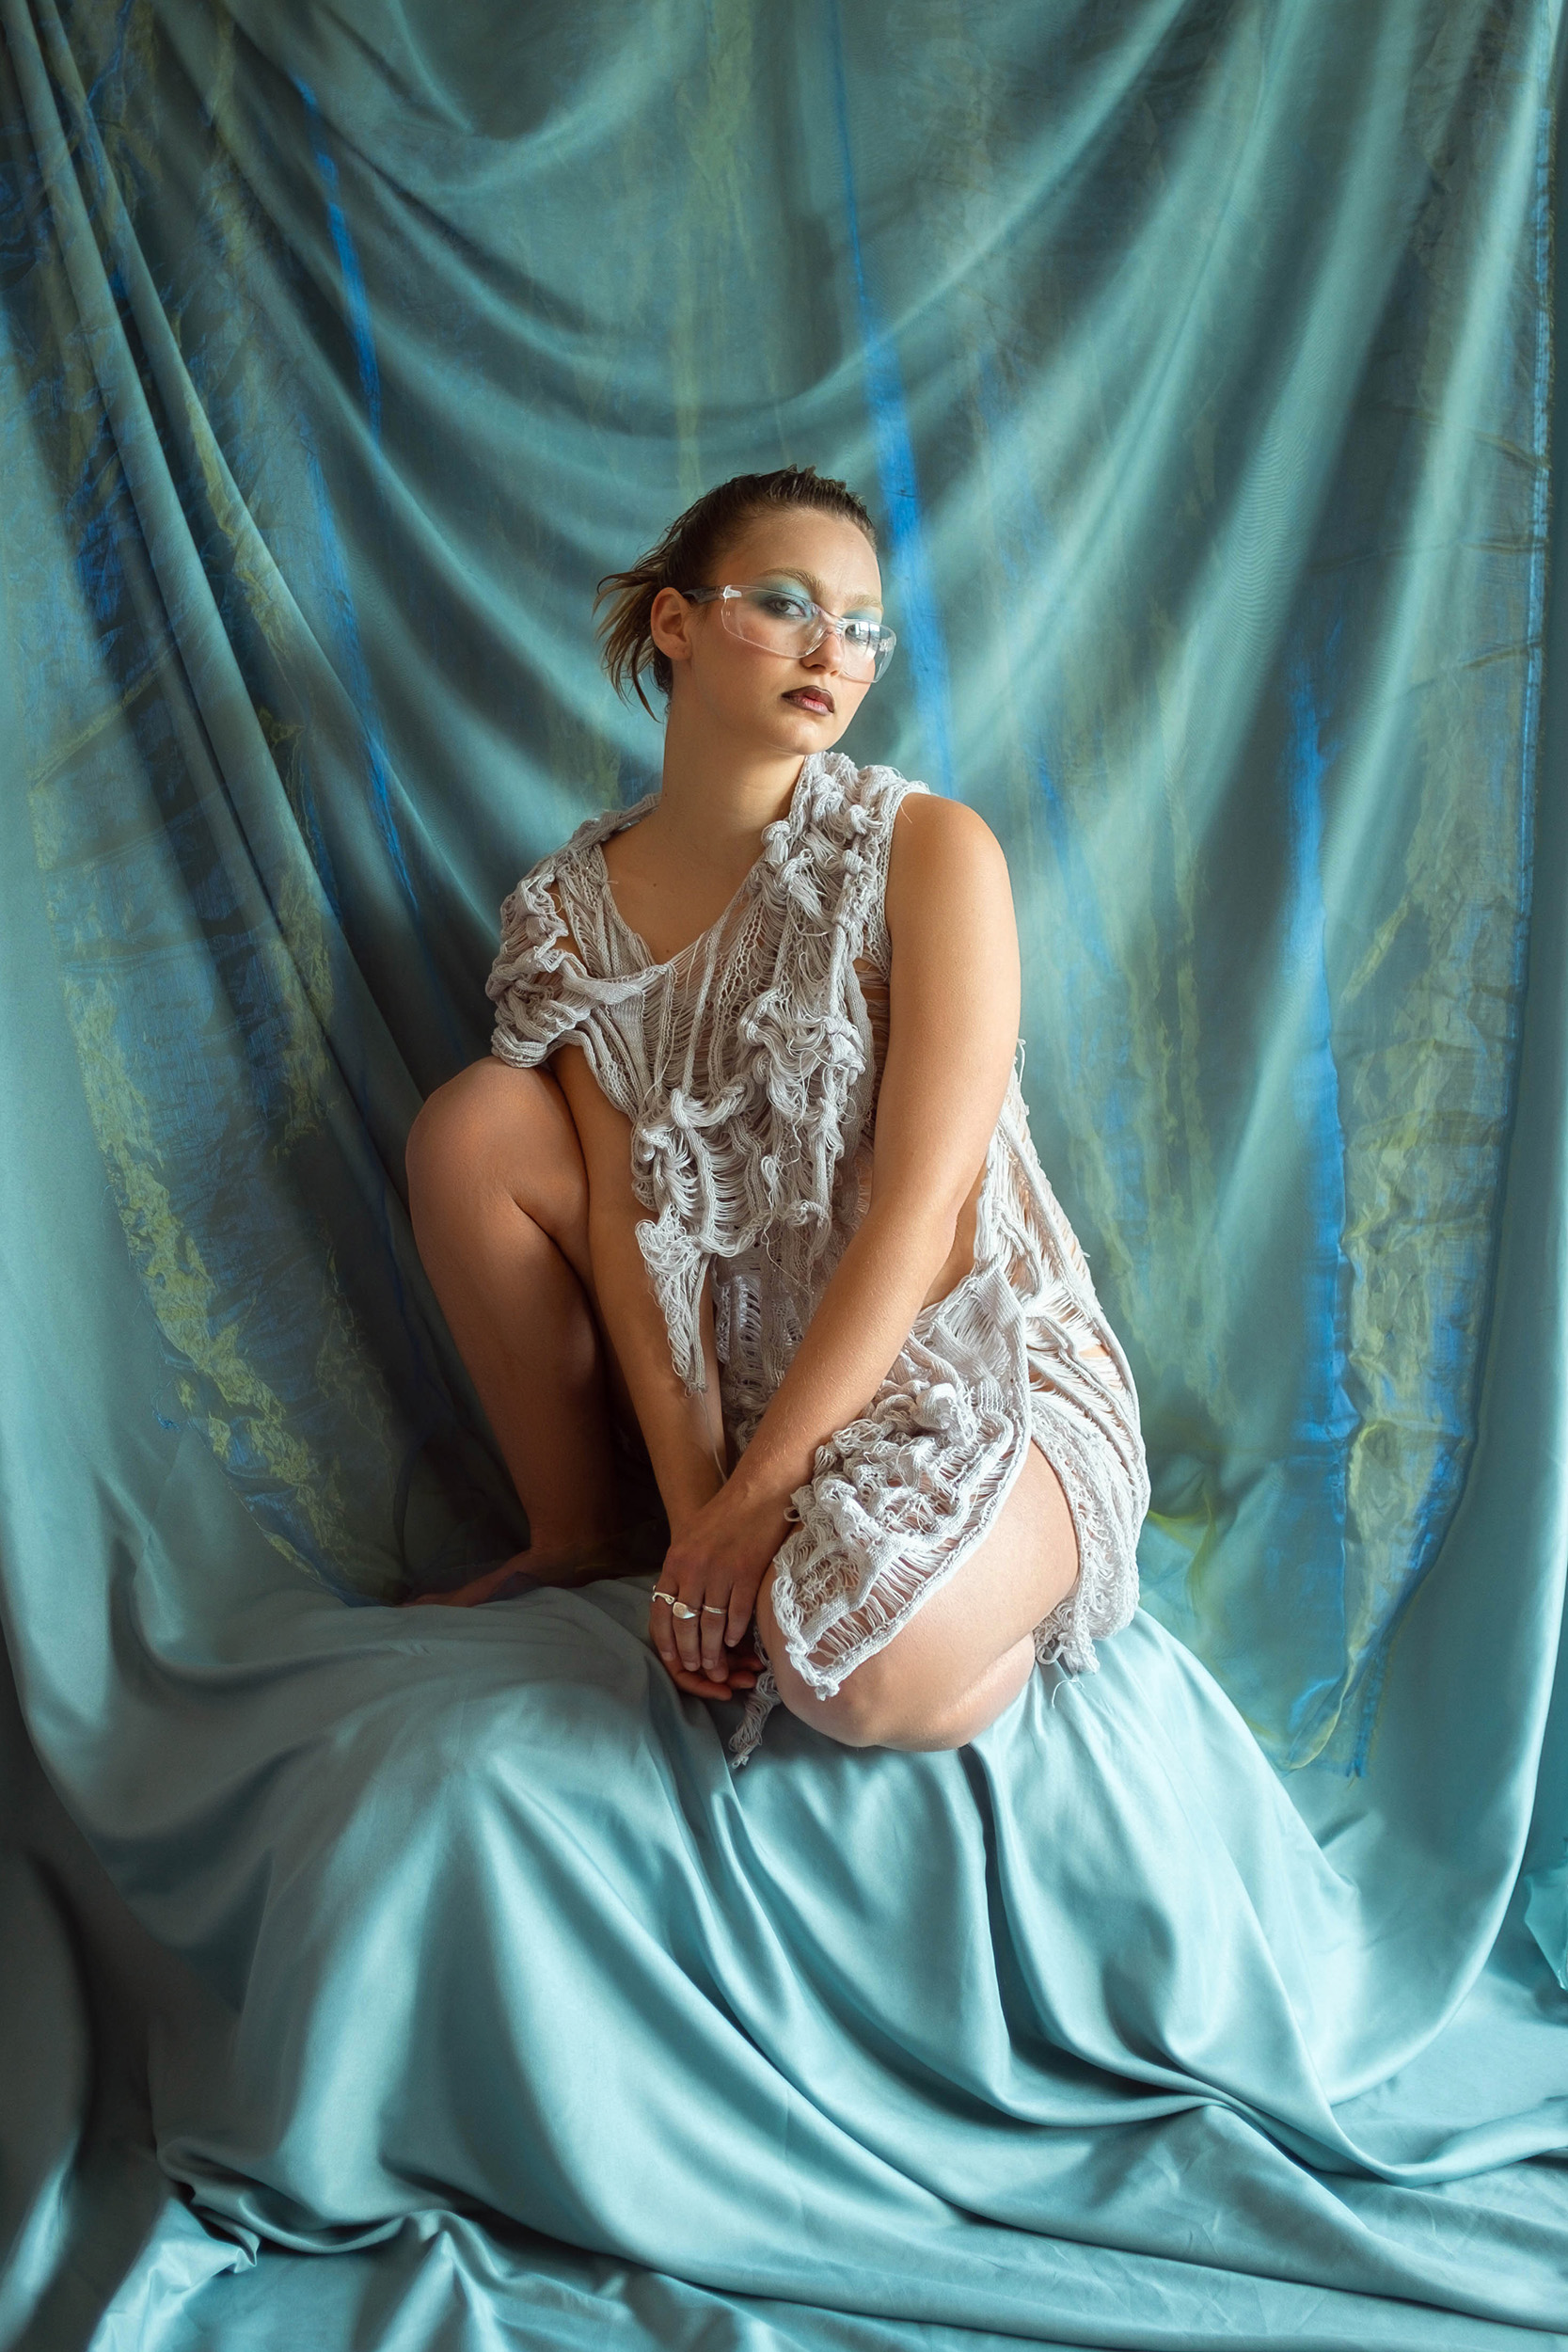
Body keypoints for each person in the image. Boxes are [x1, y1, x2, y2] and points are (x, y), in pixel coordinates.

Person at [404, 465, 1149, 1761]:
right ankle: (580, 1530)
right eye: (788, 604)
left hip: (976, 1371)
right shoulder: (566, 918)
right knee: (475, 1122)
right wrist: (701, 1526)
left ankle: (1012, 1588)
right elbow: (646, 1242)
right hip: (756, 1398)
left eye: (861, 624)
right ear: (677, 625)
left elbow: (923, 1210)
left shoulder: (928, 852)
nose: (832, 650)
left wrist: (760, 1503)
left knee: (844, 1679)